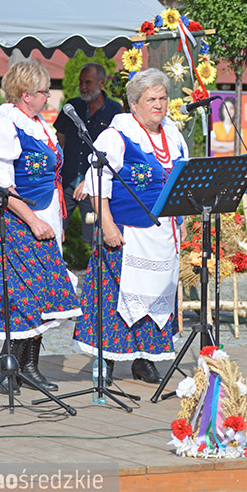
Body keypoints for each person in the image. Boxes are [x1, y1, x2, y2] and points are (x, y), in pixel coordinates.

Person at [73, 69, 189, 384]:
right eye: (151, 99)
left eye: (163, 98)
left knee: (155, 295)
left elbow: (180, 181)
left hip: (163, 233)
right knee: (115, 298)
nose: (159, 104)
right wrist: (107, 224)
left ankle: (144, 359)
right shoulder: (117, 135)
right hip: (127, 231)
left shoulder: (173, 136)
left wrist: (182, 221)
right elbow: (97, 181)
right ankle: (106, 362)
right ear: (134, 104)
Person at [0, 58, 81, 394]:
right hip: (18, 221)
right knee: (27, 295)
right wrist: (34, 220)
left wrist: (51, 219)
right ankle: (14, 365)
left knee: (44, 294)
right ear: (26, 95)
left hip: (43, 217)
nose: (48, 97)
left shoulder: (38, 125)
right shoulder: (5, 126)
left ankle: (22, 365)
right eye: (43, 92)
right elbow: (0, 187)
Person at [54, 63, 122, 244]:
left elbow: (115, 152)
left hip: (94, 184)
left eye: (88, 82)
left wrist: (88, 180)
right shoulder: (71, 107)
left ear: (101, 83)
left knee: (94, 238)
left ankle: (91, 264)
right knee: (55, 231)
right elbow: (59, 140)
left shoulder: (114, 111)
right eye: (81, 82)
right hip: (67, 181)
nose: (83, 87)